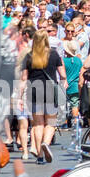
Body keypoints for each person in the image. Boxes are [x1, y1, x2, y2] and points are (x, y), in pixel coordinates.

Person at [19, 30, 65, 163]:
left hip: (33, 91)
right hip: (50, 90)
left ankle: (39, 155)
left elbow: (23, 79)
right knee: (50, 123)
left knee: (38, 124)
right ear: (46, 40)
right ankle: (46, 143)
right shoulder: (54, 54)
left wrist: (19, 98)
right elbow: (62, 75)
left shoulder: (29, 56)